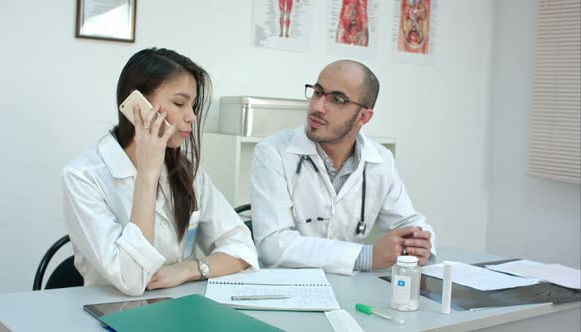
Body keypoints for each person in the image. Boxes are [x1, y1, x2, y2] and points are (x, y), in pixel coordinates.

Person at [63, 48, 258, 296]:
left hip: (179, 307)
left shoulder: (185, 169)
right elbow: (132, 280)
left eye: (194, 105)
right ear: (137, 104)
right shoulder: (82, 176)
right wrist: (147, 174)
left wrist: (188, 269)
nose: (192, 117)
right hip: (112, 311)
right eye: (179, 103)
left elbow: (242, 248)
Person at [250, 60, 435, 275]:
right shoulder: (273, 151)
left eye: (337, 100)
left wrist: (420, 243)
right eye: (318, 92)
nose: (318, 106)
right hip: (287, 286)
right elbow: (272, 245)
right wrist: (366, 256)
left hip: (349, 287)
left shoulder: (380, 160)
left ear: (363, 117)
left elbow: (408, 221)